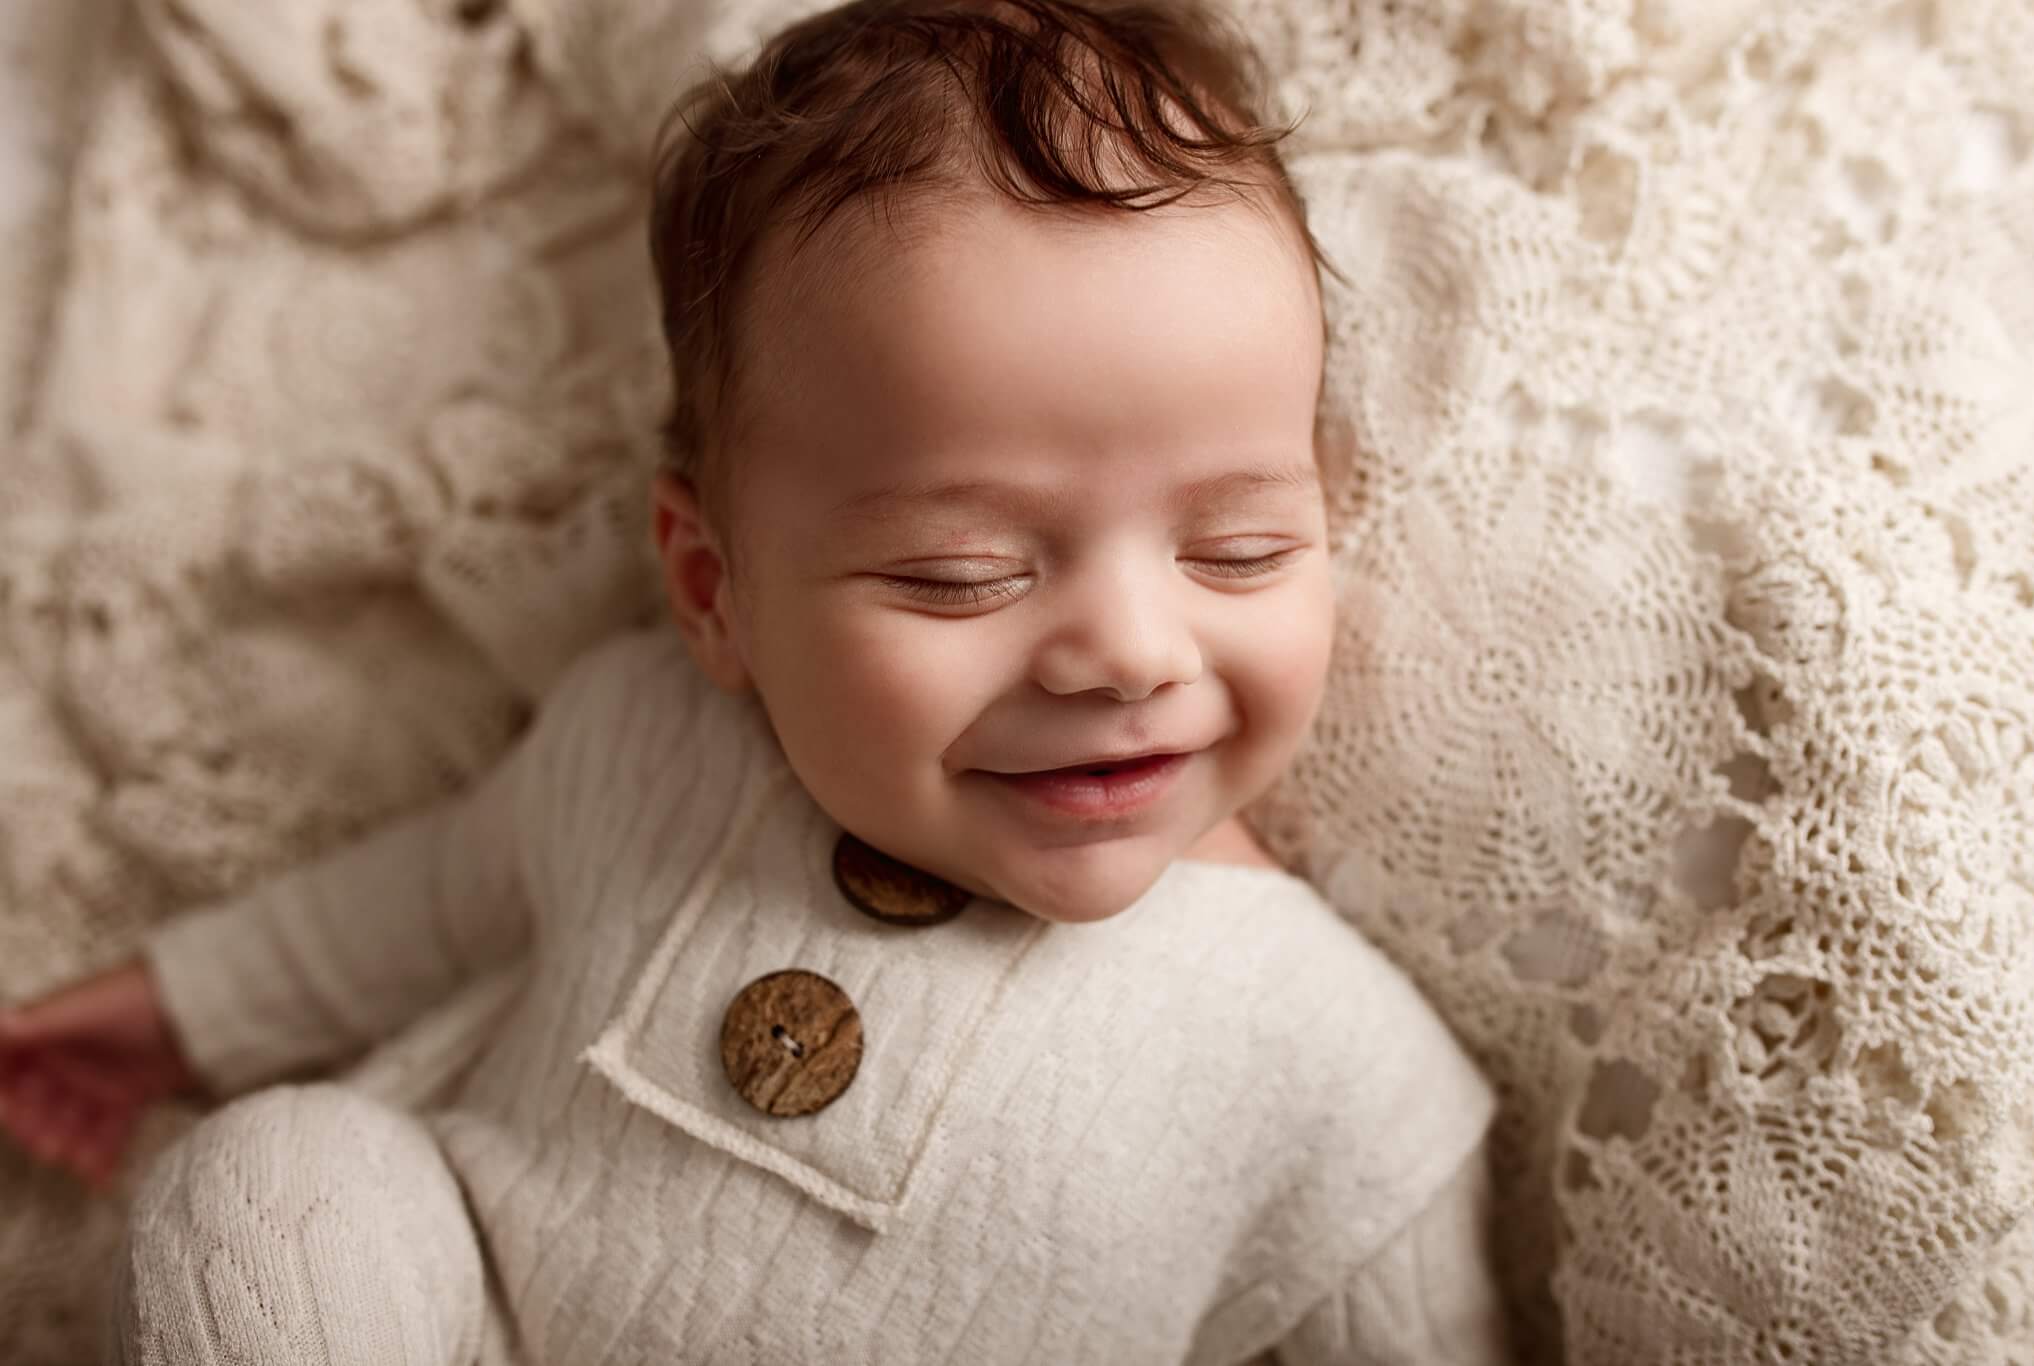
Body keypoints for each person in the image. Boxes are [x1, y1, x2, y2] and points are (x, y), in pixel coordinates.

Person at [0, 0, 1508, 1360]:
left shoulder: (1337, 1064)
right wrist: (170, 1009)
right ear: (716, 592)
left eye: (1239, 549)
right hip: (466, 1320)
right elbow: (412, 904)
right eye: (960, 573)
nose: (1128, 649)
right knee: (263, 1192)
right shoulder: (641, 734)